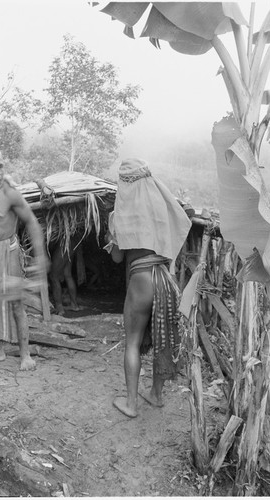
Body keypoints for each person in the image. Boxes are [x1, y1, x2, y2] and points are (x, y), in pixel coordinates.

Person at [104, 158, 192, 417]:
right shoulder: (161, 209)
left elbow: (118, 258)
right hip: (165, 279)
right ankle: (155, 394)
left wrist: (111, 240)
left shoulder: (119, 215)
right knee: (162, 336)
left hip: (141, 277)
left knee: (132, 341)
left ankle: (131, 404)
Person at [0, 140, 49, 370]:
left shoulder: (10, 193)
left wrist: (41, 257)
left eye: (0, 166)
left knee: (15, 302)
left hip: (7, 252)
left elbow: (32, 222)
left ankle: (25, 355)